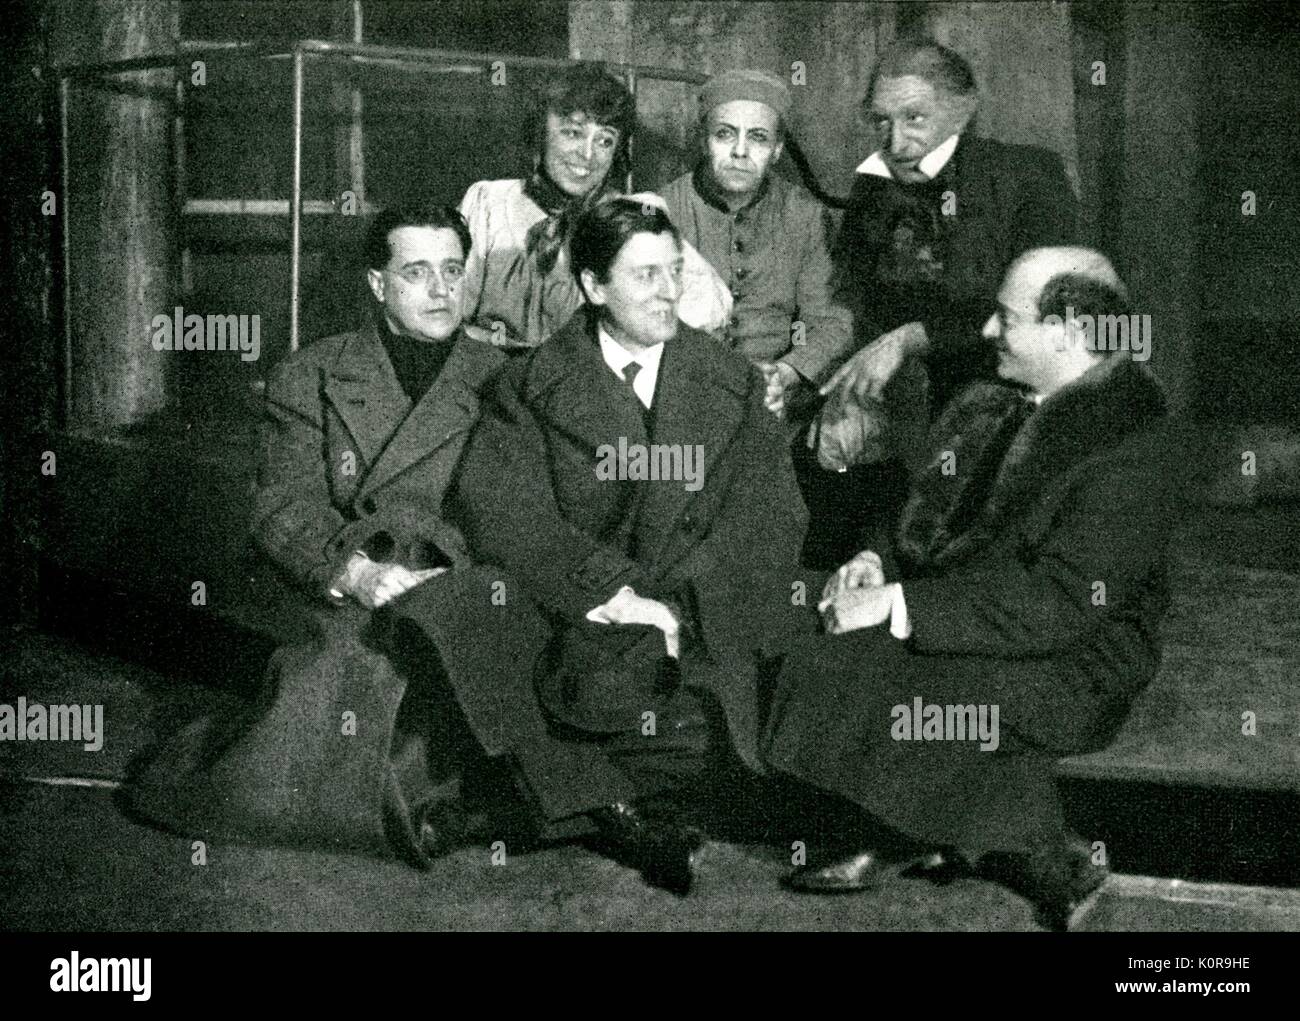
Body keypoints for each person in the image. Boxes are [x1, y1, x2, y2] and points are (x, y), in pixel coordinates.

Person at [383, 198, 810, 895]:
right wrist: (609, 591)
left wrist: (676, 608)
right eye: (645, 276)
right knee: (458, 609)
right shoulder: (527, 384)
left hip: (690, 616)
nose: (669, 291)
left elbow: (771, 519)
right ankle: (622, 815)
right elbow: (504, 513)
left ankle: (513, 802)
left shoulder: (731, 380)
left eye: (674, 271)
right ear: (592, 286)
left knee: (727, 704)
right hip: (577, 605)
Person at [763, 247, 1182, 930]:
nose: (988, 331)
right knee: (815, 636)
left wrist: (898, 606)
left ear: (1068, 333)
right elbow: (913, 507)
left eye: (1007, 318)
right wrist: (874, 561)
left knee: (905, 683)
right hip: (972, 610)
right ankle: (938, 831)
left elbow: (1061, 605)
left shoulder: (1134, 444)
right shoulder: (987, 397)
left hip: (1076, 653)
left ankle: (953, 837)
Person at [125, 205, 507, 861]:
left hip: (462, 583)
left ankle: (434, 799)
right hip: (352, 583)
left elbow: (515, 506)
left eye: (452, 270)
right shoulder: (313, 372)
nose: (442, 290)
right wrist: (356, 572)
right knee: (292, 754)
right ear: (378, 283)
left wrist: (465, 575)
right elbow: (282, 500)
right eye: (416, 272)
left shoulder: (503, 377)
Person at [805, 37, 1079, 563]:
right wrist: (842, 389)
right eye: (881, 121)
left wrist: (910, 339)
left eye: (915, 120)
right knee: (833, 455)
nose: (897, 141)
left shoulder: (1027, 177)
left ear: (961, 112)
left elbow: (1043, 305)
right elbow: (854, 298)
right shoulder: (872, 188)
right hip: (907, 389)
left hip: (1008, 378)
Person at [458, 63, 731, 348]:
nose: (588, 155)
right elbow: (450, 311)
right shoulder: (488, 203)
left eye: (604, 140)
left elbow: (708, 310)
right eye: (573, 133)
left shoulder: (631, 217)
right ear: (540, 133)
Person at [659, 69, 853, 419]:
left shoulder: (805, 216)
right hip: (682, 395)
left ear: (777, 150)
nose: (740, 152)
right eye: (724, 134)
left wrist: (785, 374)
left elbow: (830, 322)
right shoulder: (662, 210)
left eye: (759, 138)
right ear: (704, 141)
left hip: (778, 396)